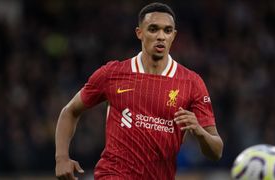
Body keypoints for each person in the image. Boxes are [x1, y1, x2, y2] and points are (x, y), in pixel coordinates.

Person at [55, 2, 223, 180]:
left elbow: (216, 151)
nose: (161, 36)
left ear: (173, 36)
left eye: (167, 31)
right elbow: (70, 111)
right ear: (139, 33)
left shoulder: (192, 82)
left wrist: (199, 131)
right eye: (153, 29)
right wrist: (61, 158)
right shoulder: (113, 73)